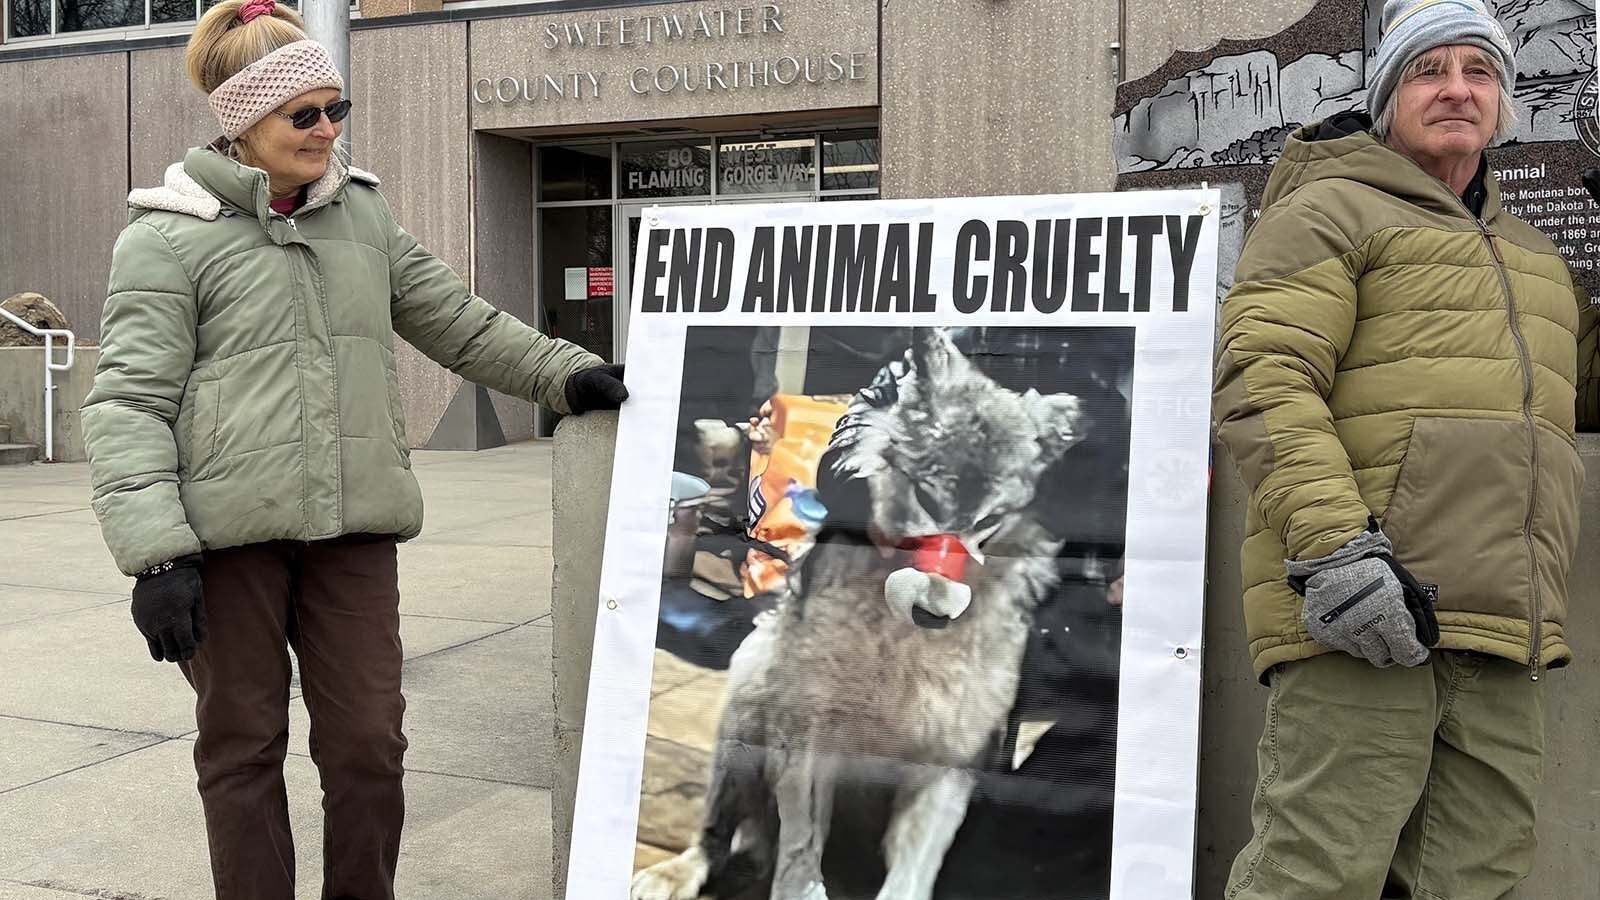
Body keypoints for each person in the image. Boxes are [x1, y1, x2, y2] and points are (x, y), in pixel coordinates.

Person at [78, 2, 625, 897]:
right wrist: (156, 556)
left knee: (370, 745)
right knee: (243, 748)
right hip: (223, 547)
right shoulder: (166, 238)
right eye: (305, 115)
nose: (327, 130)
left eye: (337, 110)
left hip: (353, 536)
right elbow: (129, 402)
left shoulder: (361, 217)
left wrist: (567, 375)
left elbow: (456, 319)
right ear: (243, 122)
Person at [1213, 1, 1599, 897]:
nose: (1457, 90)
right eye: (1430, 71)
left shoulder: (1537, 259)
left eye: (1479, 72)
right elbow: (1263, 376)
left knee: (1475, 880)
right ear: (1389, 95)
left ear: (1504, 100)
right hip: (1366, 608)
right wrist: (1335, 553)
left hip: (1505, 627)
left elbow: (1581, 397)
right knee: (1315, 875)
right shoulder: (1327, 211)